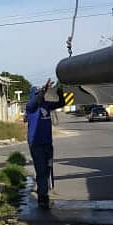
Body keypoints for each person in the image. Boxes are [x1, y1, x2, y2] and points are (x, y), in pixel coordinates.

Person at [25, 79, 65, 209]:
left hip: (48, 145)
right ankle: (43, 197)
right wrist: (43, 90)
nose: (40, 96)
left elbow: (61, 103)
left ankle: (43, 191)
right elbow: (35, 101)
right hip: (36, 145)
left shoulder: (46, 105)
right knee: (41, 171)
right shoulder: (31, 108)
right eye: (37, 94)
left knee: (47, 170)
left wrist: (61, 92)